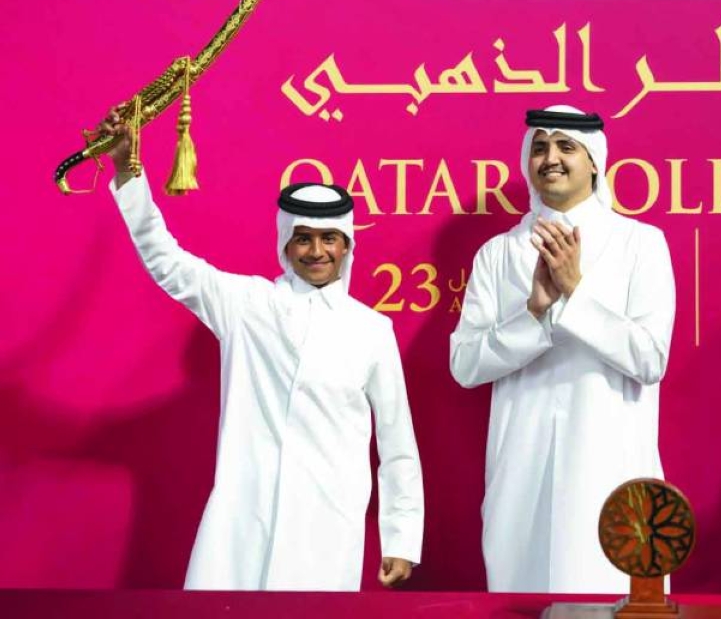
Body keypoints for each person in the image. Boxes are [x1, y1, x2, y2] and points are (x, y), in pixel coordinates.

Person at [98, 109, 423, 591]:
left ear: (347, 245)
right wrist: (129, 173)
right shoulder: (246, 304)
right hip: (240, 519)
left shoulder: (372, 329)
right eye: (304, 239)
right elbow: (166, 260)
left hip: (325, 526)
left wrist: (401, 537)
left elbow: (398, 446)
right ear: (285, 245)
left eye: (329, 239)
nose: (316, 251)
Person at [450, 106, 676, 592]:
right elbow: (465, 365)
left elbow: (650, 358)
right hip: (521, 472)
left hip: (612, 468)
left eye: (565, 146)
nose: (550, 158)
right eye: (539, 146)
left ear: (594, 160)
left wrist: (576, 293)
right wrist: (533, 313)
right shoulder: (498, 253)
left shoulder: (641, 243)